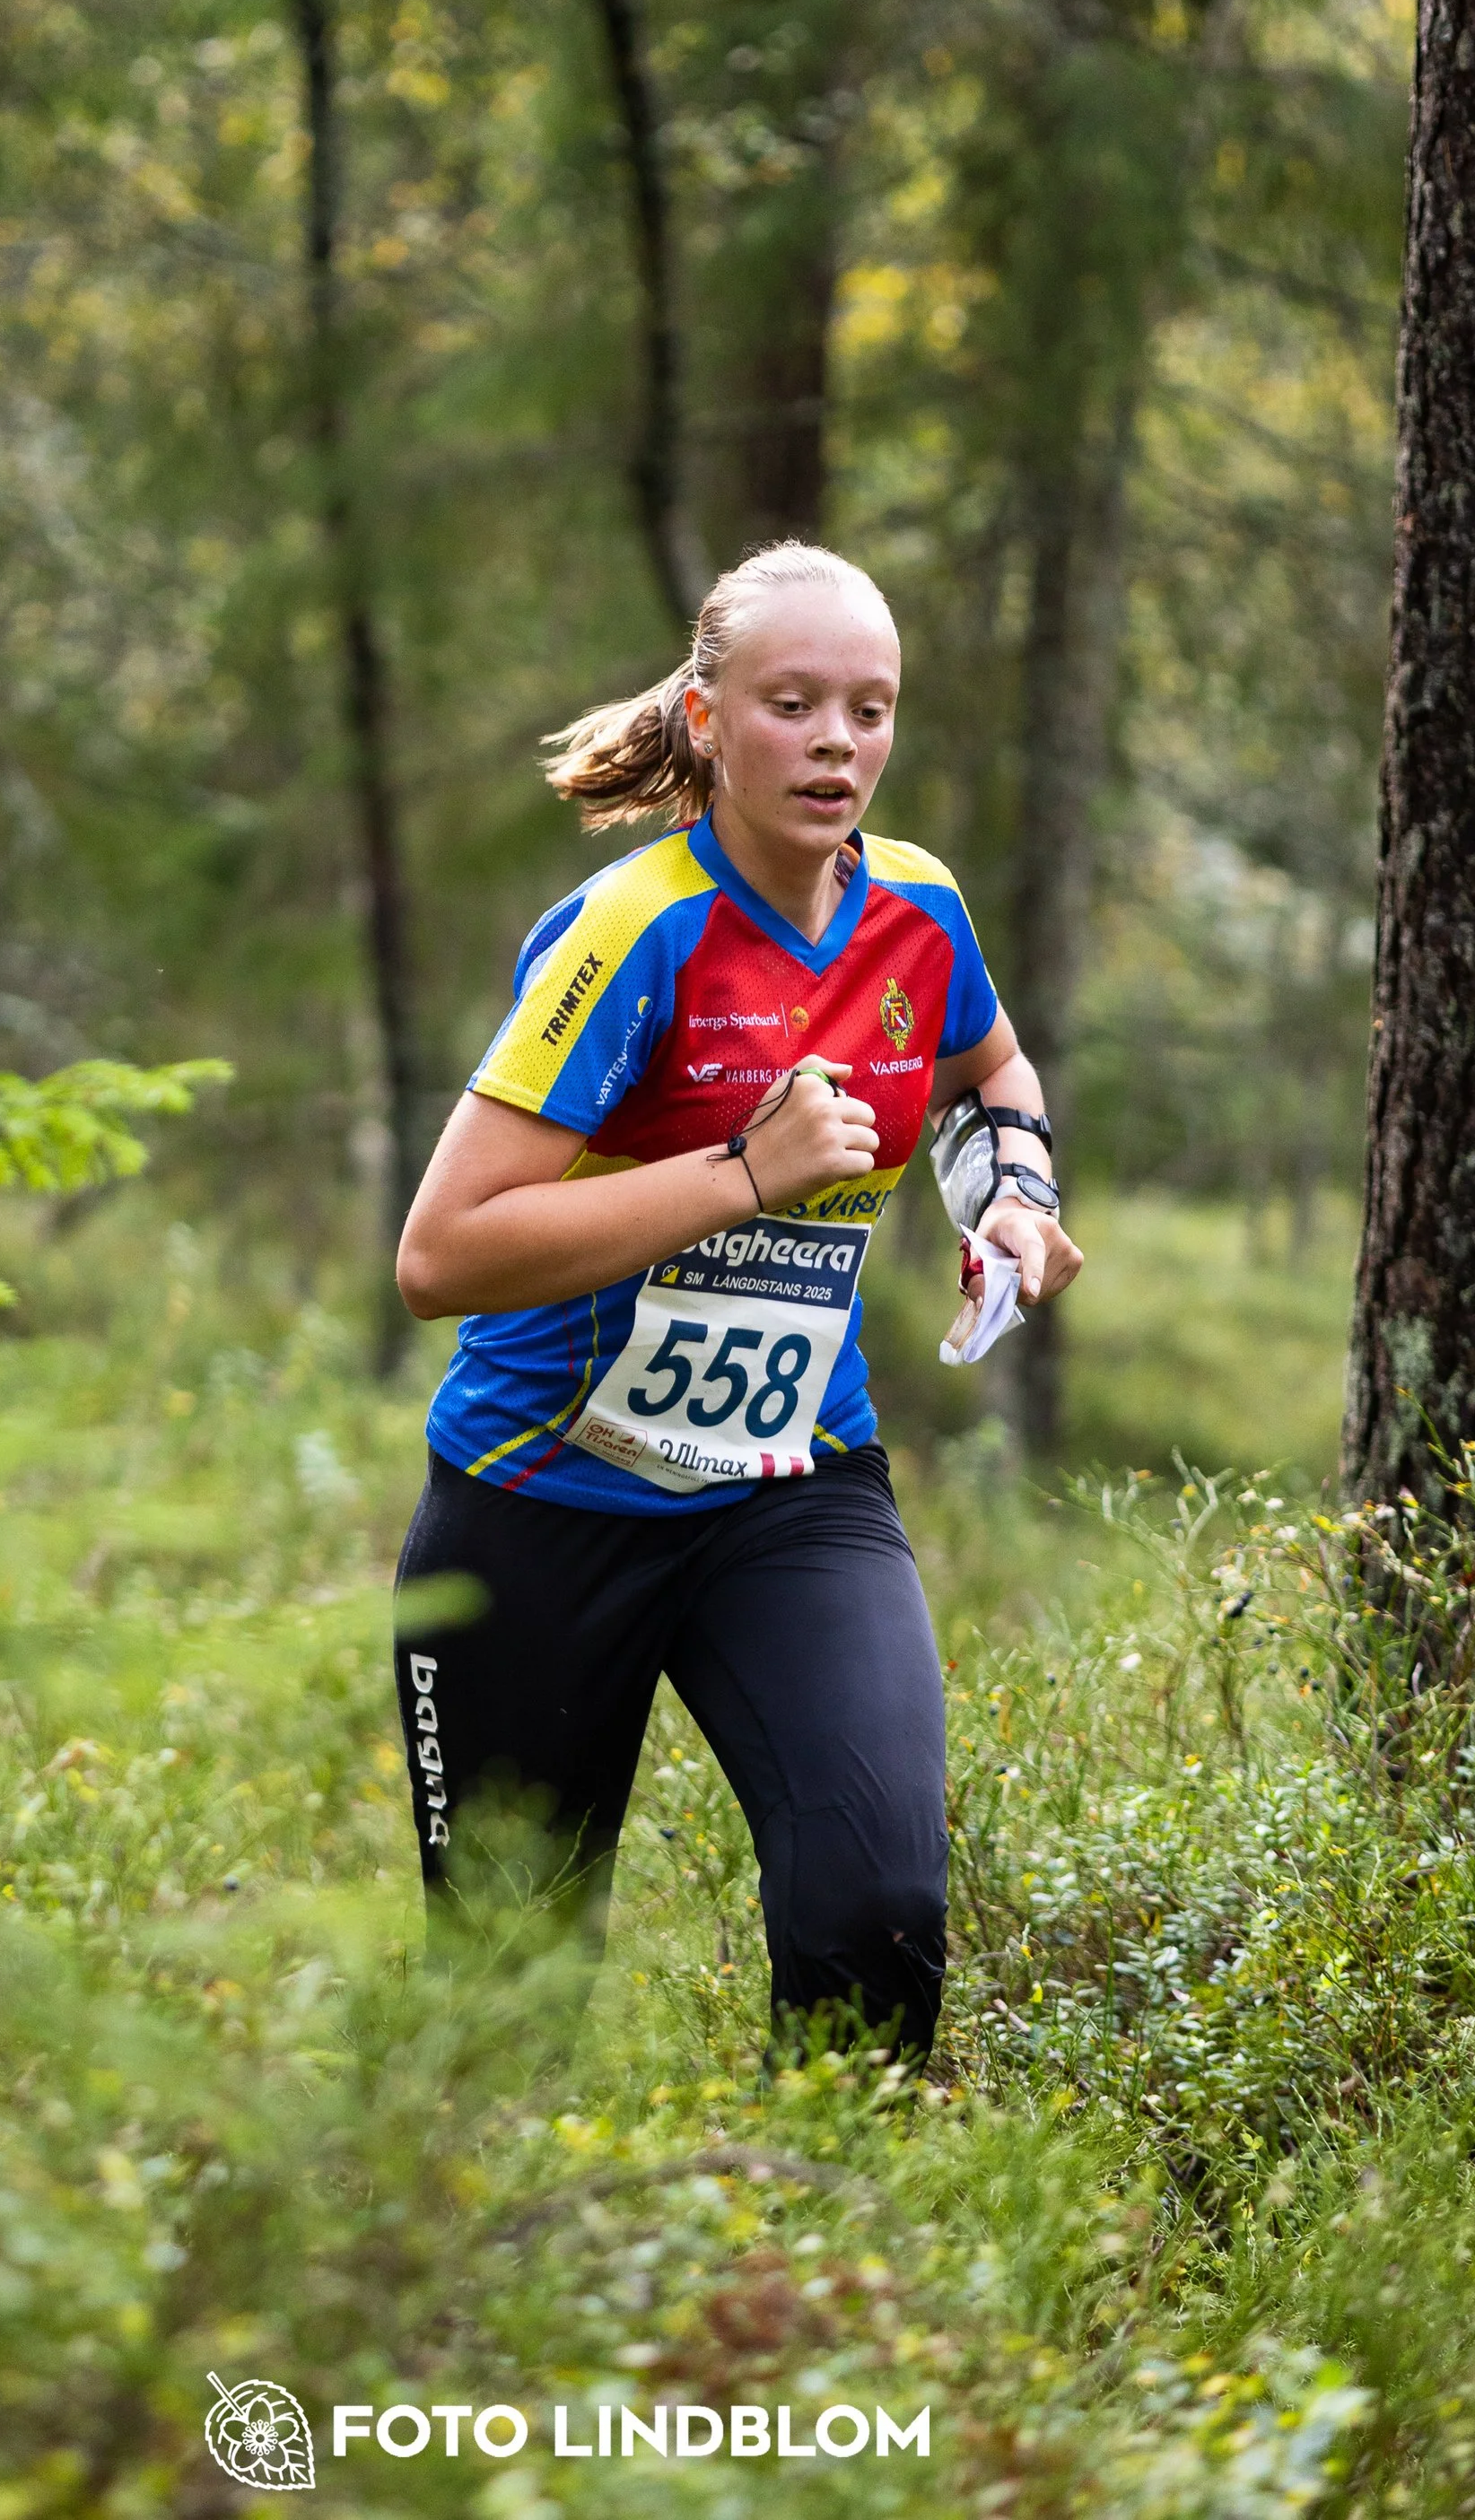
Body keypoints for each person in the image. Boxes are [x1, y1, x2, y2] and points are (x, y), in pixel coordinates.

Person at [390, 541, 1082, 2059]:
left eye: (873, 708)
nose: (841, 742)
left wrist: (1015, 1193)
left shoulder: (918, 911)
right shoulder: (634, 929)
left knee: (878, 1909)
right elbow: (440, 1256)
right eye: (794, 704)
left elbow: (993, 1069)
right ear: (706, 720)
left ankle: (820, 2277)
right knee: (506, 2010)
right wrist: (745, 1174)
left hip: (791, 1494)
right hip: (541, 1504)